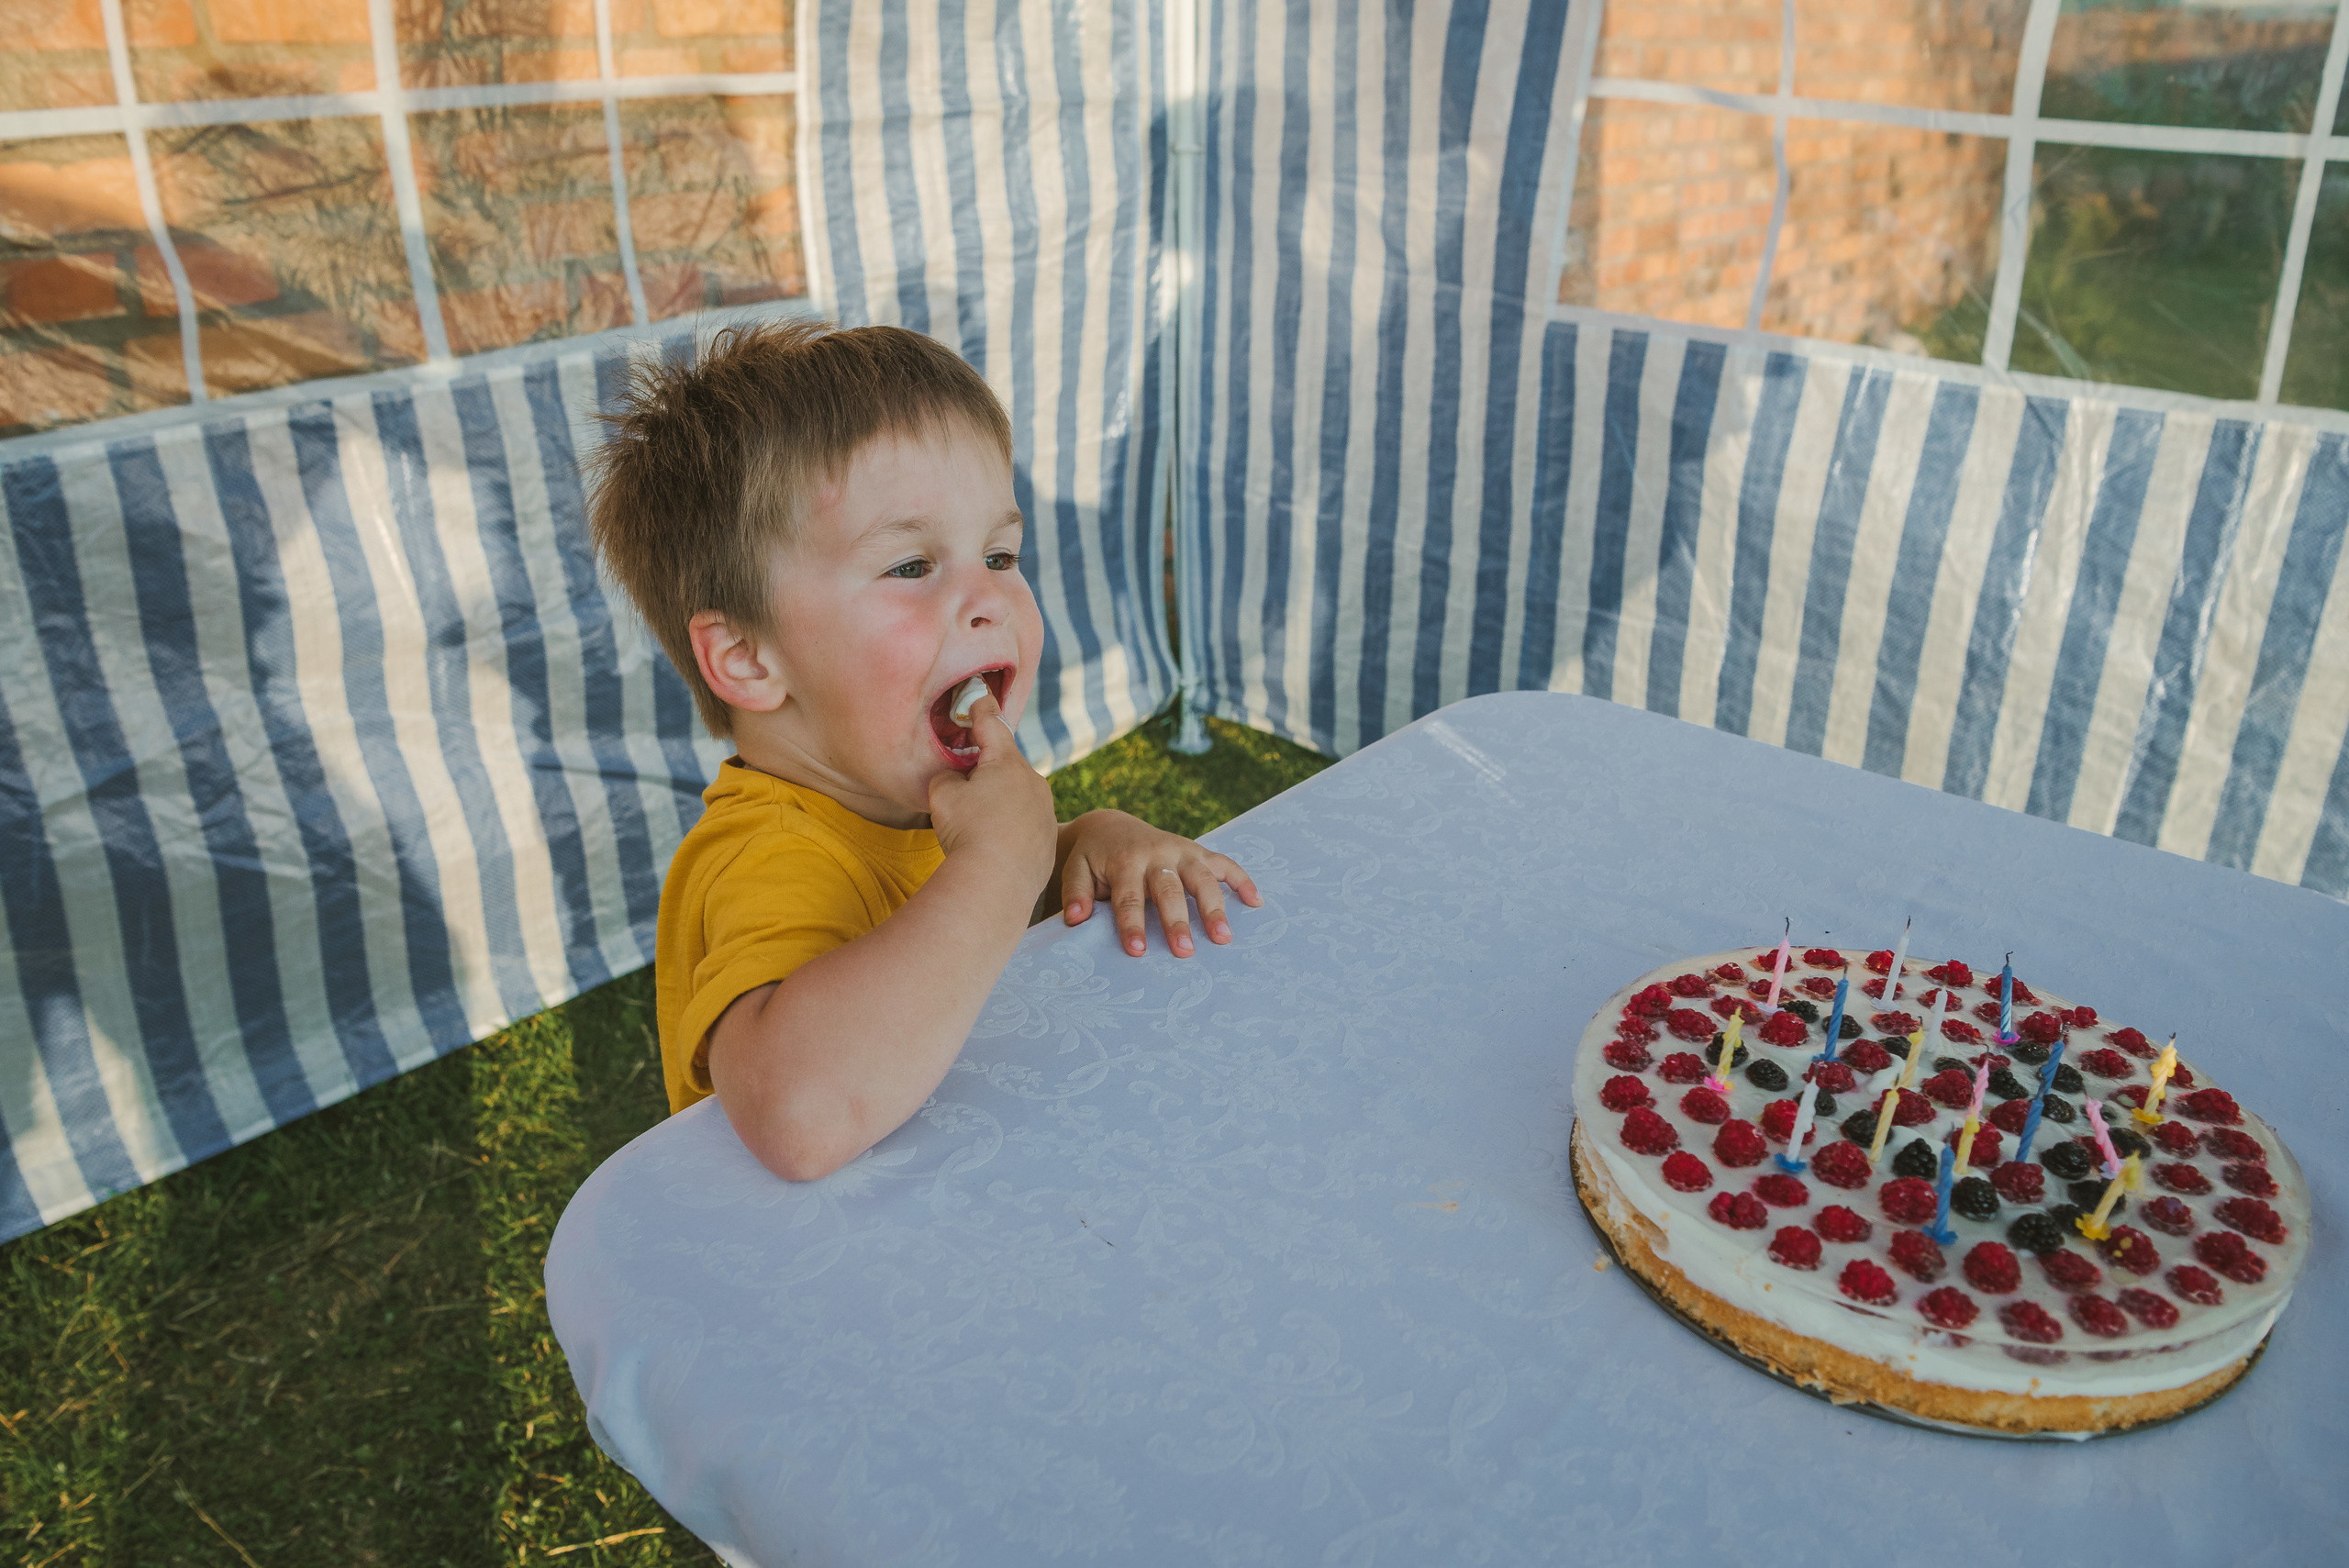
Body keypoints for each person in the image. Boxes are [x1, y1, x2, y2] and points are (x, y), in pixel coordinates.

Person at [588, 319, 1259, 1182]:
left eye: (1000, 553)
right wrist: (1002, 861)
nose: (988, 599)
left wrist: (1077, 851)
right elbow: (801, 1112)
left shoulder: (904, 803)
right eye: (912, 566)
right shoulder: (769, 859)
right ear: (749, 660)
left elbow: (952, 929)